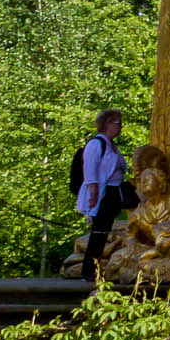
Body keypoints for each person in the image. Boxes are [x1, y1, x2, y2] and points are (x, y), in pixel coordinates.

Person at [73, 109, 130, 267]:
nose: (120, 127)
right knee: (98, 232)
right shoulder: (96, 144)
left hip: (113, 191)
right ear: (107, 124)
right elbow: (90, 169)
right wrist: (93, 193)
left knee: (104, 232)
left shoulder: (112, 145)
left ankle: (96, 267)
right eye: (118, 123)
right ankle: (89, 269)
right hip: (101, 193)